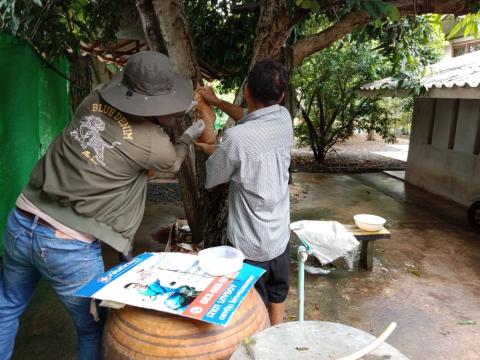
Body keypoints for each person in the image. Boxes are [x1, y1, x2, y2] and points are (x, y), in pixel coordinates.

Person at [0, 51, 205, 360]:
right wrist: (188, 136)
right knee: (92, 328)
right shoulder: (153, 144)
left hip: (21, 219)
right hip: (67, 245)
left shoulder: (93, 99)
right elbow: (173, 161)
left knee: (6, 307)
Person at [196, 59, 293, 326]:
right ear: (281, 95)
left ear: (246, 90)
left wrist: (211, 149)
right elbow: (250, 118)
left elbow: (214, 176)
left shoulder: (236, 139)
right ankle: (277, 342)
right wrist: (214, 101)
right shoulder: (283, 118)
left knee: (253, 311)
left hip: (250, 244)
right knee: (277, 292)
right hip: (279, 236)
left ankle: (260, 345)